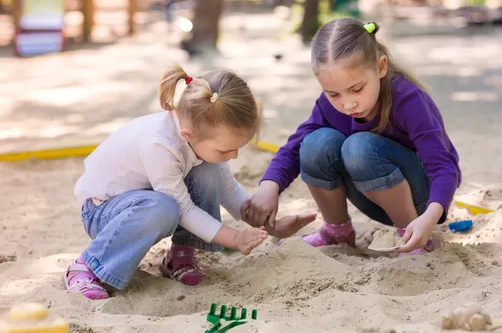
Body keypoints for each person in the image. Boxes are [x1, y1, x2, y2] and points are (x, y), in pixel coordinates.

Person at [65, 65, 315, 300]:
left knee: (208, 172)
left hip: (142, 203)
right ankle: (87, 265)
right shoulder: (160, 146)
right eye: (227, 150)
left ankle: (181, 253)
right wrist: (235, 239)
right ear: (188, 135)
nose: (234, 156)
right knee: (164, 206)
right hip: (105, 215)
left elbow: (226, 187)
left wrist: (266, 224)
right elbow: (181, 208)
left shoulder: (200, 133)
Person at [243, 18, 461, 255]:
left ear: (381, 67)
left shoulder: (408, 99)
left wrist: (429, 218)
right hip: (372, 197)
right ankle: (337, 234)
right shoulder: (329, 106)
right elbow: (295, 146)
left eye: (356, 89)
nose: (348, 103)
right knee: (314, 143)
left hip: (422, 206)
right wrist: (268, 188)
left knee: (358, 146)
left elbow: (444, 166)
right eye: (334, 93)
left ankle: (411, 239)